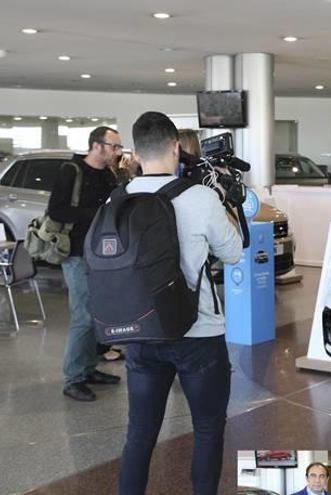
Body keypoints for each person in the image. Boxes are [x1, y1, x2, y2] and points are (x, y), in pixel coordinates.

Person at [117, 112, 242, 494]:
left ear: (136, 153)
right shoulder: (200, 197)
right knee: (207, 430)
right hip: (198, 332)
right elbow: (234, 251)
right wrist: (226, 203)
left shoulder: (117, 197)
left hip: (140, 330)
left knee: (139, 434)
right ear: (176, 148)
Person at [49, 125, 122, 402]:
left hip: (102, 254)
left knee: (99, 313)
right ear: (96, 145)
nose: (117, 152)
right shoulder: (72, 171)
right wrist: (97, 215)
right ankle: (74, 378)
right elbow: (56, 210)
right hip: (76, 253)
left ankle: (90, 368)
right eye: (113, 146)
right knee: (83, 316)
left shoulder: (108, 174)